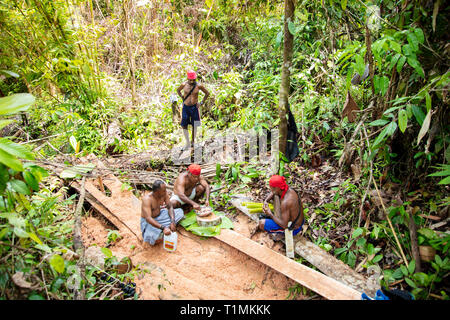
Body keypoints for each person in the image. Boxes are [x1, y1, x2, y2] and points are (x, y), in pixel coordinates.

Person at [258, 175, 305, 240]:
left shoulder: (286, 202)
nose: (270, 189)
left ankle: (282, 234)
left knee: (262, 224)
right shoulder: (286, 189)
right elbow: (273, 193)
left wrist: (270, 214)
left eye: (271, 187)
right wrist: (266, 201)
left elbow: (284, 225)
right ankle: (276, 220)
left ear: (276, 188)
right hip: (296, 219)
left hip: (294, 227)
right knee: (276, 196)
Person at [141, 180, 184, 246]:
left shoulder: (164, 194)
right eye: (163, 190)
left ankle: (167, 227)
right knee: (152, 237)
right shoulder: (147, 199)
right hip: (150, 222)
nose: (165, 191)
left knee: (180, 212)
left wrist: (172, 221)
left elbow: (169, 207)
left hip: (161, 215)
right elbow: (148, 218)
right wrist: (163, 228)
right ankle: (164, 229)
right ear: (157, 192)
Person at [176, 70, 210, 149]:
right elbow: (178, 90)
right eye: (190, 80)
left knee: (195, 125)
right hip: (186, 107)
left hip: (194, 107)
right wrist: (182, 97)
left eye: (193, 80)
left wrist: (201, 103)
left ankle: (193, 142)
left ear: (196, 79)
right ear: (187, 78)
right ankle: (187, 143)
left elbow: (207, 93)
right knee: (184, 125)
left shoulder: (199, 86)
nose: (192, 81)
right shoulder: (184, 84)